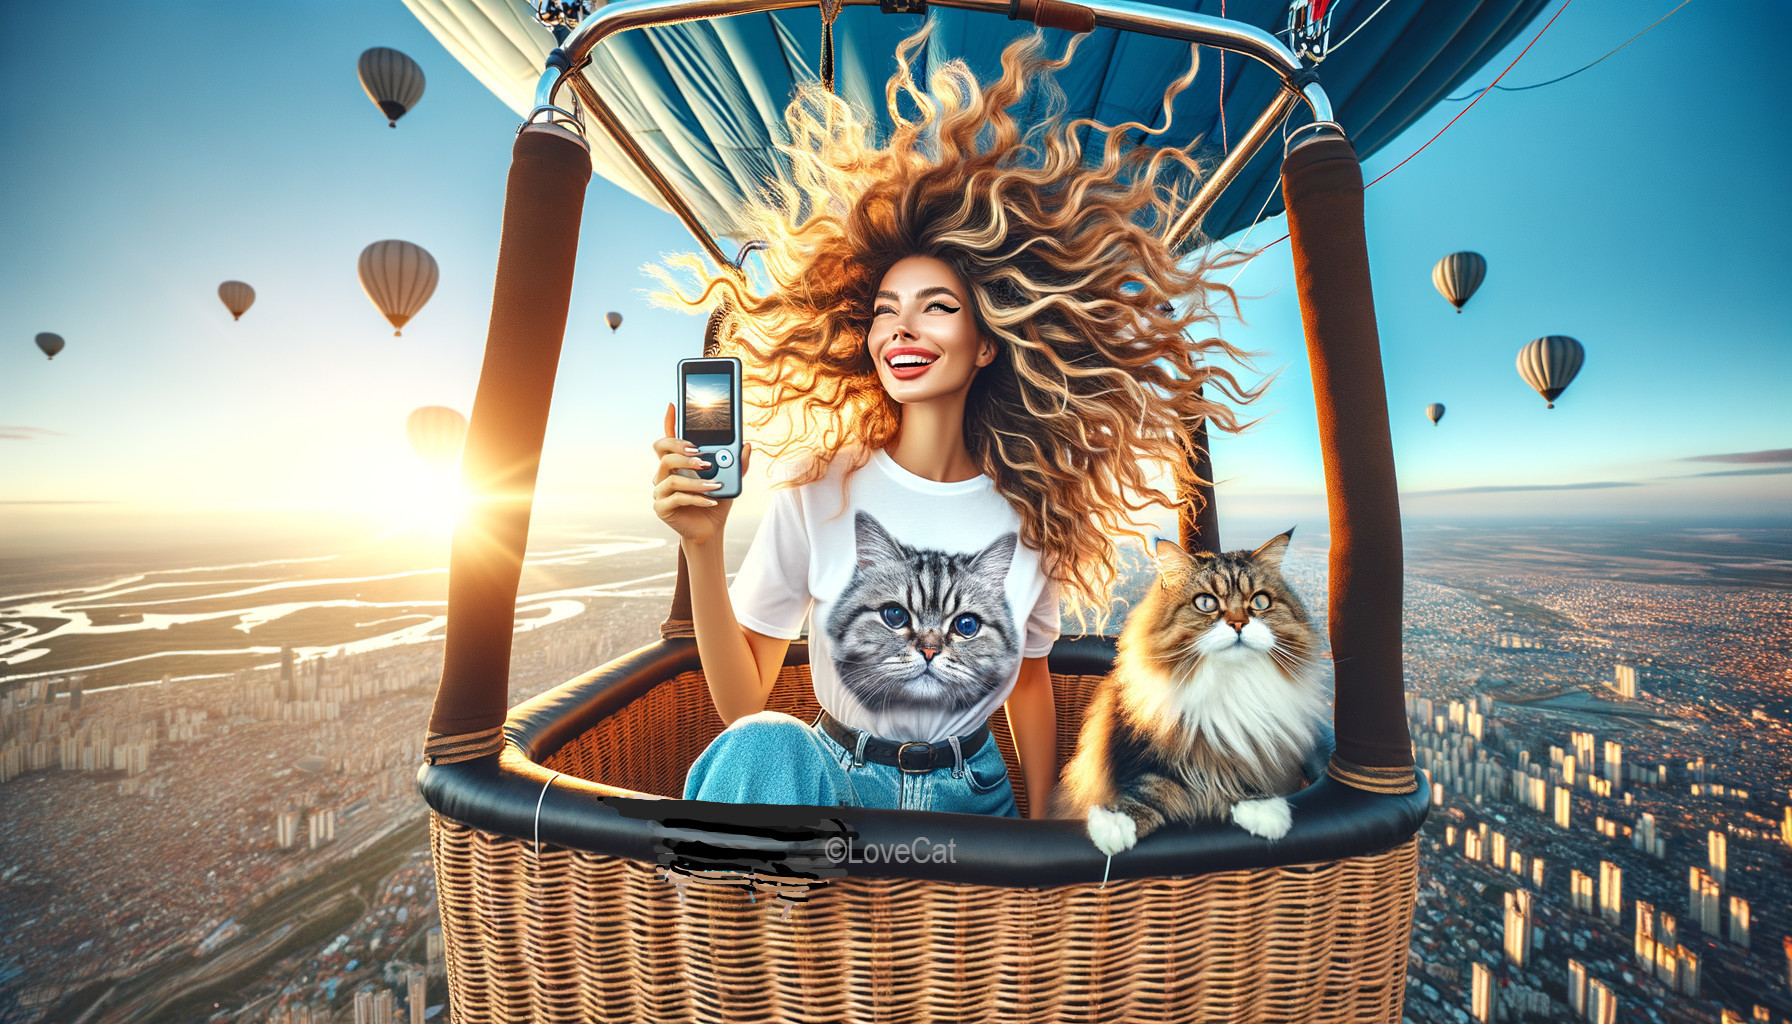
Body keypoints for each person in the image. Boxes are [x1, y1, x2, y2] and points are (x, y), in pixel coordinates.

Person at [648, 27, 1260, 819]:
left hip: (972, 796)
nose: (902, 330)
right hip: (834, 782)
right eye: (884, 312)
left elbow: (1030, 680)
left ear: (984, 344)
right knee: (763, 743)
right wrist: (702, 546)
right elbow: (742, 705)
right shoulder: (818, 484)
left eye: (937, 308)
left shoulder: (1035, 508)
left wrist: (1042, 824)